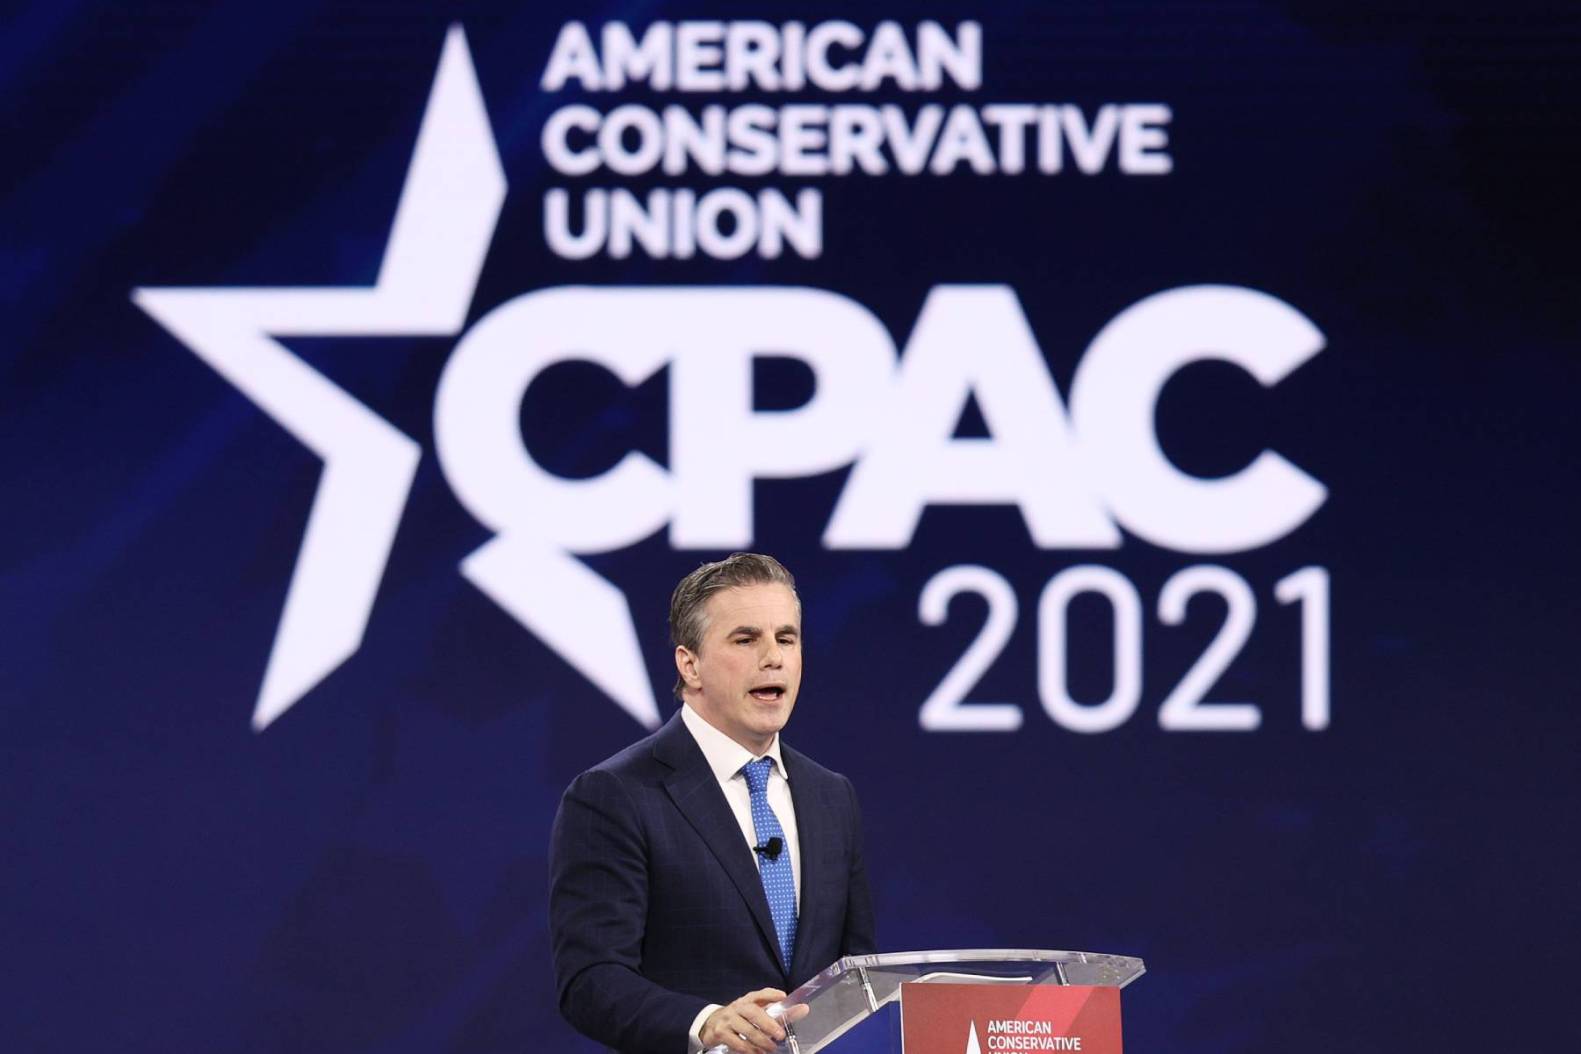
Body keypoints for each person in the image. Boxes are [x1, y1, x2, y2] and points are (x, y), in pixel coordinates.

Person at [549, 553, 877, 1054]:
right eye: (746, 639)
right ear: (690, 664)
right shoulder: (614, 795)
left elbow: (856, 976)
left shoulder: (832, 796)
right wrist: (705, 1023)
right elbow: (591, 980)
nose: (774, 658)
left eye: (786, 638)